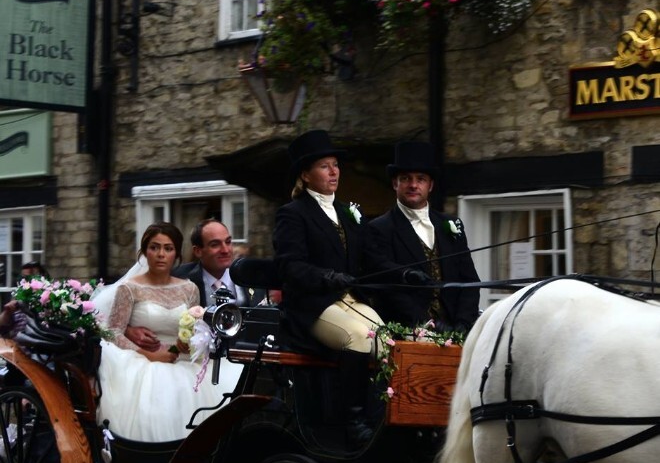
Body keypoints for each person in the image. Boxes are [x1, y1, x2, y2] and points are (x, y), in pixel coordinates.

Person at [273, 129, 383, 445]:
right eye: (325, 166)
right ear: (305, 175)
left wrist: (403, 274)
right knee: (359, 337)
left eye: (336, 165)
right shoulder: (292, 214)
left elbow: (370, 258)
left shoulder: (349, 212)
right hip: (312, 306)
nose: (334, 172)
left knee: (385, 340)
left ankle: (380, 412)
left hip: (348, 300)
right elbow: (290, 266)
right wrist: (327, 277)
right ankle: (351, 419)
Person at [95, 221, 241, 442]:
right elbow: (114, 332)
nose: (161, 254)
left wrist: (187, 344)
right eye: (154, 248)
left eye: (168, 248)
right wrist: (150, 354)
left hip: (181, 359)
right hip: (142, 361)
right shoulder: (130, 289)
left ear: (177, 255)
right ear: (145, 252)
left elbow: (195, 329)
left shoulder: (189, 288)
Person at [363, 141, 480, 332]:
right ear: (395, 183)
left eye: (420, 179)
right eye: (406, 178)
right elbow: (388, 287)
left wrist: (462, 324)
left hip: (455, 329)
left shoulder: (450, 225)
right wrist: (428, 324)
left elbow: (469, 281)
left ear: (430, 185)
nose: (413, 185)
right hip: (407, 330)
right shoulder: (379, 229)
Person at [126, 219, 263, 352]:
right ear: (198, 251)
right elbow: (144, 309)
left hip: (245, 360)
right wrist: (129, 330)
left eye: (228, 242)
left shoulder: (251, 277)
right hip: (197, 361)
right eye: (215, 245)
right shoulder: (179, 277)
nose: (225, 250)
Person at [0, 260, 50, 338]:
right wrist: (7, 311)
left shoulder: (52, 302)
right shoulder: (17, 302)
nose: (29, 283)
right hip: (22, 347)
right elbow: (2, 327)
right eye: (24, 279)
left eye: (33, 277)